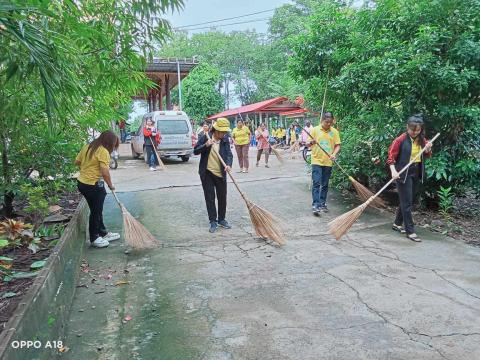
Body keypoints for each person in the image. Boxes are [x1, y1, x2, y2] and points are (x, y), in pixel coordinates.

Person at [387, 114, 432, 242]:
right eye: (413, 130)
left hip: (416, 171)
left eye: (418, 130)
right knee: (407, 203)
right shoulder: (400, 140)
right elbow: (391, 157)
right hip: (403, 172)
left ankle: (397, 223)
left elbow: (427, 155)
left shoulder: (422, 139)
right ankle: (410, 231)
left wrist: (428, 149)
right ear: (407, 127)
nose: (415, 132)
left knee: (409, 200)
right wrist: (393, 171)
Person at [75, 131, 120, 248]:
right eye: (114, 144)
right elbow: (105, 172)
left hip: (82, 183)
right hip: (93, 185)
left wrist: (87, 168)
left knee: (96, 209)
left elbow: (77, 162)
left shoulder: (88, 147)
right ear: (109, 142)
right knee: (96, 211)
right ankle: (94, 237)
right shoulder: (103, 151)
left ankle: (103, 233)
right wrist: (110, 185)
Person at [194, 118, 233, 233]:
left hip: (221, 172)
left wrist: (229, 165)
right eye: (222, 131)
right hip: (207, 173)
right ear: (216, 130)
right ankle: (213, 221)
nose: (224, 134)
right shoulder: (205, 137)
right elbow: (195, 150)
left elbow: (229, 155)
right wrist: (206, 145)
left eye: (225, 132)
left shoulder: (225, 139)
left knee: (222, 197)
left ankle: (221, 219)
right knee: (210, 197)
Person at [307, 112, 341, 216]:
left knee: (325, 184)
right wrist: (311, 142)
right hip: (316, 160)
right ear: (323, 120)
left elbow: (337, 145)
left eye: (330, 122)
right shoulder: (315, 130)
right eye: (327, 122)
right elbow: (307, 144)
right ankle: (316, 205)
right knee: (316, 183)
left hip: (328, 161)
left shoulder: (334, 132)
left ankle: (322, 203)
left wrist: (334, 154)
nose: (328, 124)